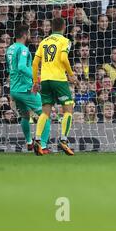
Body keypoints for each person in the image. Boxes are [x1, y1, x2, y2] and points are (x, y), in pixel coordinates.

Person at [32, 18, 78, 156]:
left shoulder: (43, 42)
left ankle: (38, 139)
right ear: (64, 27)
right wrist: (70, 74)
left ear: (51, 27)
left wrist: (35, 81)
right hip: (59, 80)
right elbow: (64, 58)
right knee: (68, 108)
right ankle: (63, 139)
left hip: (45, 80)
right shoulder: (65, 41)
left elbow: (35, 63)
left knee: (45, 111)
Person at [6, 24, 51, 153]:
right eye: (29, 33)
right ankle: (42, 145)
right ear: (25, 35)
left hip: (14, 90)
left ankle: (29, 142)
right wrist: (35, 77)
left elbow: (11, 69)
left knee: (25, 116)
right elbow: (21, 67)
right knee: (45, 114)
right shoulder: (24, 49)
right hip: (25, 89)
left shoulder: (10, 49)